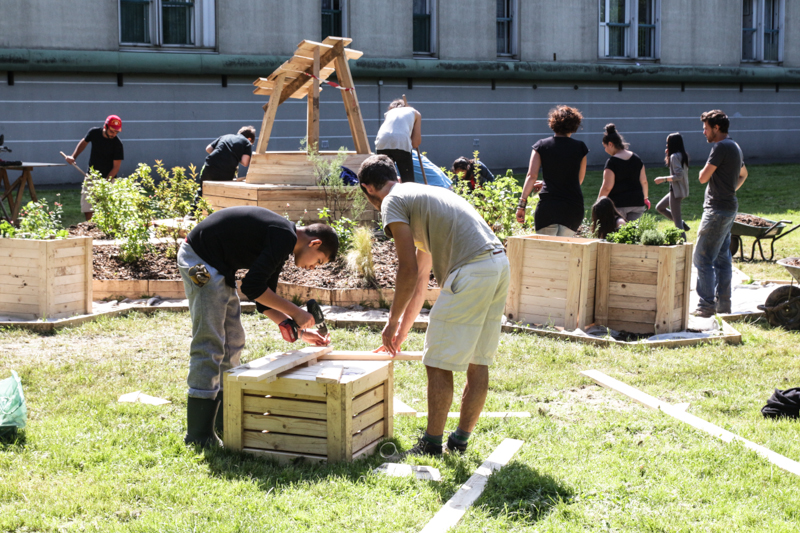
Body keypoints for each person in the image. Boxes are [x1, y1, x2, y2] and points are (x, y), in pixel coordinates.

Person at [357, 155, 509, 456]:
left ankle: (431, 444)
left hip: (472, 269)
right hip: (498, 265)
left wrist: (389, 321)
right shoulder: (422, 197)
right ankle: (460, 440)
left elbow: (408, 269)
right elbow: (421, 279)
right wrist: (400, 330)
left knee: (437, 361)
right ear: (394, 176)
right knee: (478, 361)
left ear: (367, 188)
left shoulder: (392, 202)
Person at [178, 206, 338, 447]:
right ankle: (198, 435)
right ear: (314, 244)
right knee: (210, 342)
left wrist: (300, 330)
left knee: (233, 340)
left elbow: (263, 297)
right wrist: (295, 312)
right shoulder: (284, 235)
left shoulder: (283, 241)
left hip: (218, 266)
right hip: (198, 261)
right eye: (319, 261)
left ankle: (223, 421)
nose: (313, 267)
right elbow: (252, 287)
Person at [693, 110, 748, 317]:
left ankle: (706, 305)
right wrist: (731, 189)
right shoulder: (735, 146)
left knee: (702, 257)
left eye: (706, 128)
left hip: (716, 210)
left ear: (717, 128)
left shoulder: (720, 146)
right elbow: (744, 174)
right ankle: (723, 305)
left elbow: (702, 178)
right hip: (729, 207)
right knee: (723, 258)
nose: (704, 132)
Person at [516, 106, 588, 236]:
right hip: (573, 206)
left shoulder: (541, 146)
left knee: (545, 251)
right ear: (575, 125)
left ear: (553, 123)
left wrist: (522, 205)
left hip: (548, 207)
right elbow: (578, 180)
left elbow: (531, 176)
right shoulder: (580, 148)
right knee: (564, 252)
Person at [66, 115, 124, 221]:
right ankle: (91, 230)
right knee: (88, 208)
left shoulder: (117, 144)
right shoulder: (94, 132)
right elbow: (83, 143)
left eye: (116, 132)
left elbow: (116, 168)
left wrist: (104, 184)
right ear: (105, 126)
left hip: (108, 179)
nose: (114, 134)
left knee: (107, 210)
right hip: (91, 176)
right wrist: (73, 157)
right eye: (112, 131)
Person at [598, 124, 649, 222]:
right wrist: (645, 198)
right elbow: (644, 181)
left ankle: (620, 223)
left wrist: (599, 202)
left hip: (618, 204)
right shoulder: (637, 159)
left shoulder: (612, 162)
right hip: (637, 203)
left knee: (618, 229)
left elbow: (607, 187)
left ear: (610, 144)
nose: (605, 150)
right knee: (633, 231)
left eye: (605, 147)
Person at [374, 99, 422, 183]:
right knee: (408, 180)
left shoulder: (389, 113)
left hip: (382, 141)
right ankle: (408, 195)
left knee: (383, 179)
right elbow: (415, 143)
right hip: (401, 141)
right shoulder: (415, 113)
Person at [654, 133, 691, 240]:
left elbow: (679, 175)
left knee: (677, 223)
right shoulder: (682, 155)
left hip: (676, 192)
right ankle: (682, 223)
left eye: (667, 143)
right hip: (680, 190)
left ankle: (684, 245)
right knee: (660, 207)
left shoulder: (674, 156)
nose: (666, 145)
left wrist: (663, 179)